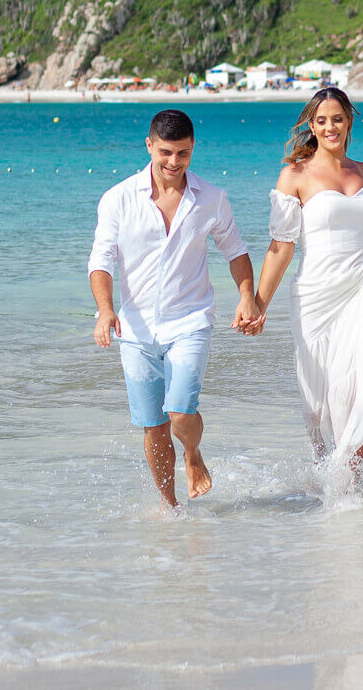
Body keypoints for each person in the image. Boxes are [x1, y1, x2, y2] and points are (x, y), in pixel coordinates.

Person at [89, 109, 260, 508]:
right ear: (149, 146)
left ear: (192, 148)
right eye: (165, 152)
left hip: (190, 321)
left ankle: (193, 454)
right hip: (134, 330)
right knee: (153, 426)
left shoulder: (212, 199)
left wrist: (246, 295)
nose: (173, 162)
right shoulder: (118, 198)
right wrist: (104, 309)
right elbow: (101, 259)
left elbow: (235, 250)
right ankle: (172, 509)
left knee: (180, 413)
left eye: (183, 153)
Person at [248, 88, 363, 473]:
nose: (330, 127)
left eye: (337, 118)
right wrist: (258, 304)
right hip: (317, 296)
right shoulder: (294, 175)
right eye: (321, 120)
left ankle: (350, 483)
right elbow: (281, 247)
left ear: (349, 120)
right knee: (320, 398)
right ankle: (324, 479)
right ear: (311, 126)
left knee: (360, 386)